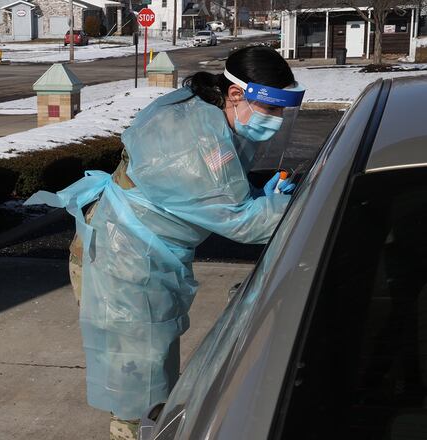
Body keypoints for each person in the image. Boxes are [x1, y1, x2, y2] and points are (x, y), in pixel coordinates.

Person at [26, 46, 305, 440]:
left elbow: (227, 191)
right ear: (237, 94)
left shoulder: (208, 109)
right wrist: (284, 204)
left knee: (155, 370)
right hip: (123, 263)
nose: (275, 121)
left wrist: (264, 194)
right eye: (271, 109)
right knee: (140, 390)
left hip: (138, 248)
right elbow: (245, 224)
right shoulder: (195, 141)